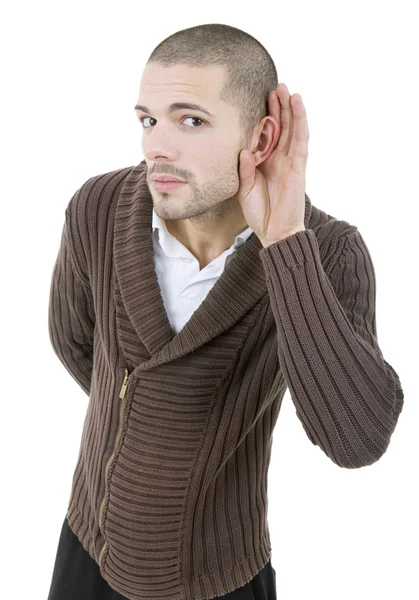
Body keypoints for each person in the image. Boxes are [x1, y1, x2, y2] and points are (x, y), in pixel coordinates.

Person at [46, 23, 404, 600]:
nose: (156, 145)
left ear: (261, 139)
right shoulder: (98, 205)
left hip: (221, 578)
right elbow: (75, 343)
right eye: (148, 119)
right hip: (88, 551)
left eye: (191, 120)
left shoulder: (327, 251)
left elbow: (356, 439)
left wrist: (285, 243)